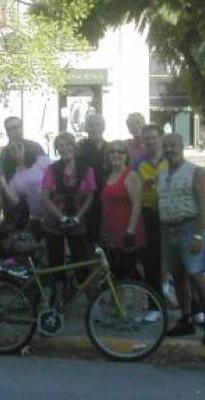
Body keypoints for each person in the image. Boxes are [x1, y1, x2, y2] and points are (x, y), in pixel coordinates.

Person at [158, 134, 205, 345]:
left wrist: (199, 234)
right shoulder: (162, 173)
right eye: (165, 146)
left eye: (173, 145)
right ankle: (186, 319)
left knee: (196, 275)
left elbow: (204, 206)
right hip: (168, 230)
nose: (169, 149)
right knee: (179, 277)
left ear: (181, 147)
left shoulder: (195, 172)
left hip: (189, 227)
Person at [42, 133, 96, 303]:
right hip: (54, 222)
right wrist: (62, 217)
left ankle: (92, 303)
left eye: (68, 144)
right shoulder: (52, 169)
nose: (65, 148)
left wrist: (78, 217)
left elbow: (90, 196)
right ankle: (57, 301)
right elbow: (45, 197)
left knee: (82, 262)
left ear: (74, 146)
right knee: (56, 263)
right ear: (57, 150)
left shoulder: (86, 169)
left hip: (78, 221)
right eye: (60, 146)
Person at [135, 124, 167, 320]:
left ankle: (194, 309)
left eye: (153, 137)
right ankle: (155, 307)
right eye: (146, 139)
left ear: (160, 138)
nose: (150, 141)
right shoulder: (138, 163)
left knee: (177, 263)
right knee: (151, 262)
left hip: (170, 214)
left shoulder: (170, 159)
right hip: (149, 215)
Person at [101, 140, 145, 281]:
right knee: (116, 274)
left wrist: (130, 231)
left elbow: (137, 204)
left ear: (127, 156)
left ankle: (138, 302)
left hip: (127, 233)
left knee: (130, 275)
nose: (116, 155)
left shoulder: (131, 176)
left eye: (121, 152)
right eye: (112, 152)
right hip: (111, 233)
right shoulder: (107, 175)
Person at [0, 138, 50, 238]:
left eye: (19, 146)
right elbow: (15, 201)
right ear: (9, 154)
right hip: (36, 220)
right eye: (12, 149)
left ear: (25, 148)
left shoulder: (41, 161)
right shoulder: (14, 178)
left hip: (53, 213)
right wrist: (2, 182)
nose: (16, 149)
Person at [0, 116, 45, 223]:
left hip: (37, 209)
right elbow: (2, 179)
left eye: (15, 127)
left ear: (21, 128)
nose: (12, 131)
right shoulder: (4, 153)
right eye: (9, 129)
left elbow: (48, 175)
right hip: (13, 208)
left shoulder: (35, 148)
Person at [78, 114, 108, 242]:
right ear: (86, 127)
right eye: (91, 125)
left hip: (108, 197)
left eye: (98, 124)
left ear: (103, 127)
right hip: (87, 200)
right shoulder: (79, 149)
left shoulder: (111, 148)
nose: (94, 128)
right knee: (90, 238)